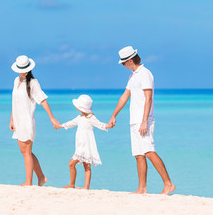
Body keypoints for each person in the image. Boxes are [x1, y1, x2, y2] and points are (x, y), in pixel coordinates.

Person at [108, 46, 175, 195]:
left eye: (124, 63)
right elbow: (125, 96)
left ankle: (168, 184)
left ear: (130, 60)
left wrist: (144, 121)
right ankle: (142, 188)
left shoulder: (145, 74)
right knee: (138, 154)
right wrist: (114, 115)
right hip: (134, 120)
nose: (123, 66)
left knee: (149, 151)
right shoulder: (133, 75)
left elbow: (148, 98)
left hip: (144, 120)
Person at [10, 55, 60, 186]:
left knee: (26, 152)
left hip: (26, 121)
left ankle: (29, 182)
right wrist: (11, 119)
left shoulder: (33, 83)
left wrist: (52, 117)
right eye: (21, 69)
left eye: (25, 69)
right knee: (26, 152)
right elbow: (14, 102)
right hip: (18, 120)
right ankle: (41, 177)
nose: (23, 71)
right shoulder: (16, 81)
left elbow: (42, 100)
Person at [58, 95, 112, 190]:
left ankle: (85, 187)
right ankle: (72, 184)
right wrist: (60, 126)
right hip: (80, 145)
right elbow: (71, 123)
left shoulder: (91, 118)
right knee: (73, 165)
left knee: (85, 166)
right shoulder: (79, 117)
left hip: (87, 146)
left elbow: (100, 125)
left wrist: (108, 125)